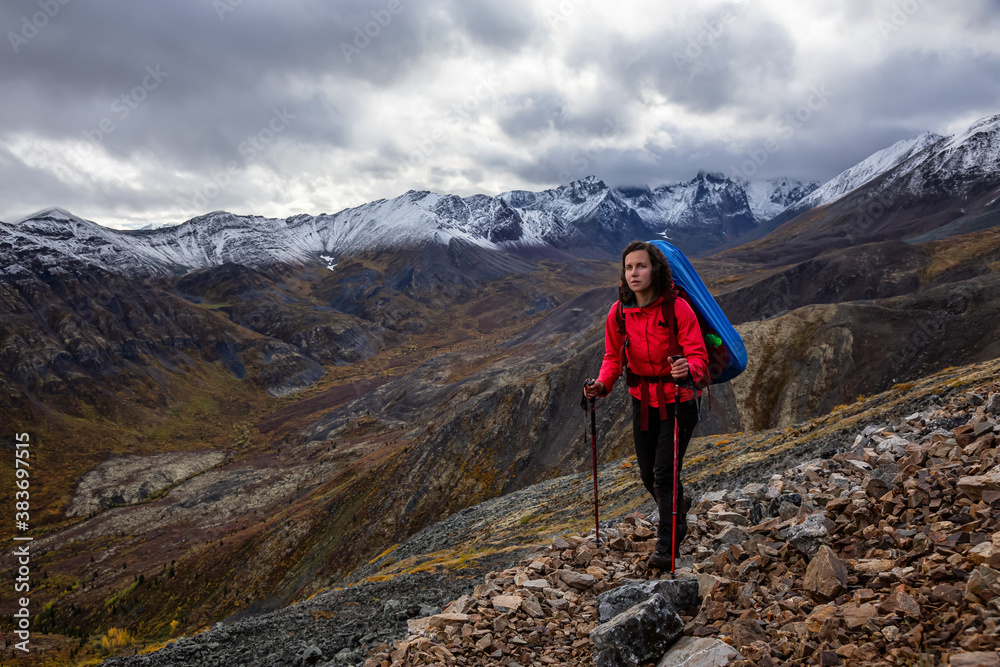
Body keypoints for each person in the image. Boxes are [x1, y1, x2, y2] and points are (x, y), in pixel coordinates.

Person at [583, 240, 708, 570]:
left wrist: (688, 368)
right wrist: (601, 385)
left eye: (641, 266)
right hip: (643, 401)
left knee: (664, 474)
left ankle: (668, 546)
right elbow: (613, 358)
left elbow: (698, 357)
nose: (634, 273)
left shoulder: (677, 308)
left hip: (680, 401)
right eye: (628, 267)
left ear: (656, 270)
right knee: (647, 475)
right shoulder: (619, 312)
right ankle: (677, 508)